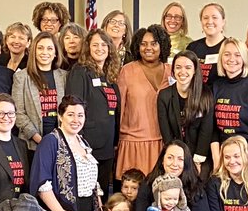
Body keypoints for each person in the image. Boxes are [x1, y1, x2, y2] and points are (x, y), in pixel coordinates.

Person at [67, 29, 121, 192]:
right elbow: (73, 107)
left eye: (104, 44)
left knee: (103, 191)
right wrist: (78, 142)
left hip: (107, 145)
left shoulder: (109, 75)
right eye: (95, 44)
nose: (100, 48)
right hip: (87, 144)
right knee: (87, 192)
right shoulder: (80, 71)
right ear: (88, 47)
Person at [31, 95, 103, 211]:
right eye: (70, 115)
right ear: (60, 116)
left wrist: (99, 208)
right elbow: (42, 183)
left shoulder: (84, 142)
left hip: (89, 210)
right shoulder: (50, 141)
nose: (76, 120)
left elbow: (94, 183)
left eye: (80, 115)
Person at [117, 25, 172, 178]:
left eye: (154, 43)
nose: (148, 47)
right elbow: (119, 109)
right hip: (133, 144)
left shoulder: (171, 71)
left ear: (162, 45)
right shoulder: (127, 70)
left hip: (162, 143)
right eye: (143, 43)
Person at [210, 37, 248, 166]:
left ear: (244, 58)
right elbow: (212, 128)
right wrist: (217, 160)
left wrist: (245, 160)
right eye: (227, 54)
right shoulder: (215, 86)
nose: (232, 59)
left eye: (237, 55)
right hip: (223, 154)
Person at [133, 141, 212, 211]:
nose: (175, 164)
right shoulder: (148, 184)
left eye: (180, 159)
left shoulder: (194, 185)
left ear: (186, 163)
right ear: (162, 161)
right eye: (170, 158)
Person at [158, 51, 217, 176]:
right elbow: (166, 134)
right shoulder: (164, 96)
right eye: (178, 67)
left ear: (195, 70)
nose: (182, 71)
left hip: (199, 156)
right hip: (175, 157)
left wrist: (197, 161)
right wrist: (176, 159)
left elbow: (206, 130)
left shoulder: (205, 95)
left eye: (188, 67)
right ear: (173, 70)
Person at [12, 32, 68, 160]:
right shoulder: (21, 77)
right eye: (40, 48)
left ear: (55, 53)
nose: (45, 52)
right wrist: (39, 139)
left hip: (60, 143)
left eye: (49, 48)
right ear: (34, 51)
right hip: (32, 145)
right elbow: (18, 113)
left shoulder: (64, 76)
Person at [186, 3, 227, 84]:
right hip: (197, 95)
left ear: (223, 22)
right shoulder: (192, 47)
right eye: (205, 18)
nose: (209, 21)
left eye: (214, 17)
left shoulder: (229, 47)